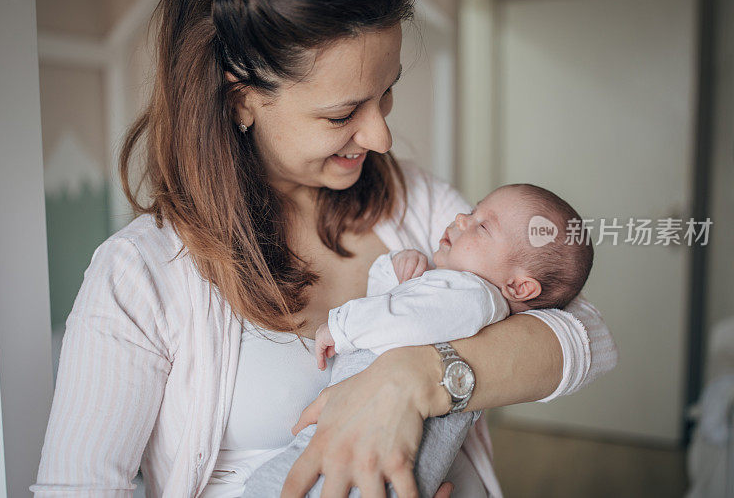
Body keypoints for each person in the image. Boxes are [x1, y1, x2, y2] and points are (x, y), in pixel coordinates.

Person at [30, 0, 618, 497]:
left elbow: (579, 331)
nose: (381, 138)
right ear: (240, 101)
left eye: (387, 94)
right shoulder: (141, 275)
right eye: (342, 115)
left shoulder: (414, 204)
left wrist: (413, 379)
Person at [243, 184, 595, 497]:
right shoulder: (451, 289)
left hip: (380, 453)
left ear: (519, 287)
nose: (460, 217)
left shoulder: (471, 294)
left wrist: (341, 326)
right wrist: (396, 266)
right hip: (384, 456)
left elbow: (399, 319)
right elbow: (396, 305)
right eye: (472, 210)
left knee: (279, 485)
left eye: (482, 225)